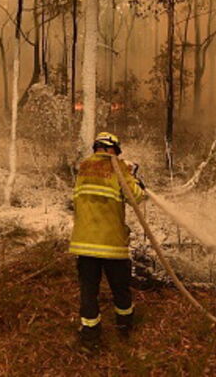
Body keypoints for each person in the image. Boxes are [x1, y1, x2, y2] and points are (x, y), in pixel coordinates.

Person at [69, 131, 146, 347]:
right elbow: (136, 196)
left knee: (88, 293)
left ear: (96, 148)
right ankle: (124, 330)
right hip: (112, 244)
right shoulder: (119, 167)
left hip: (84, 244)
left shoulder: (83, 167)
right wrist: (134, 177)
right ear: (112, 149)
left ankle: (90, 339)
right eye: (116, 151)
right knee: (120, 289)